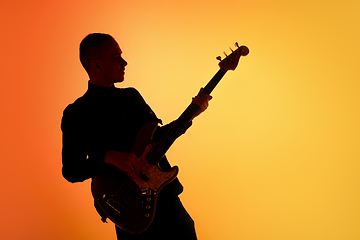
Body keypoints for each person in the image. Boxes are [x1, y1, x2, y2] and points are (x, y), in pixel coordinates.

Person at [61, 33, 212, 240]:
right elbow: (71, 170)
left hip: (164, 197)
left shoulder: (131, 96)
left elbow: (156, 138)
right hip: (127, 206)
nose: (124, 62)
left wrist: (190, 115)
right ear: (96, 65)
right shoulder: (76, 113)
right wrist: (108, 157)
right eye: (116, 57)